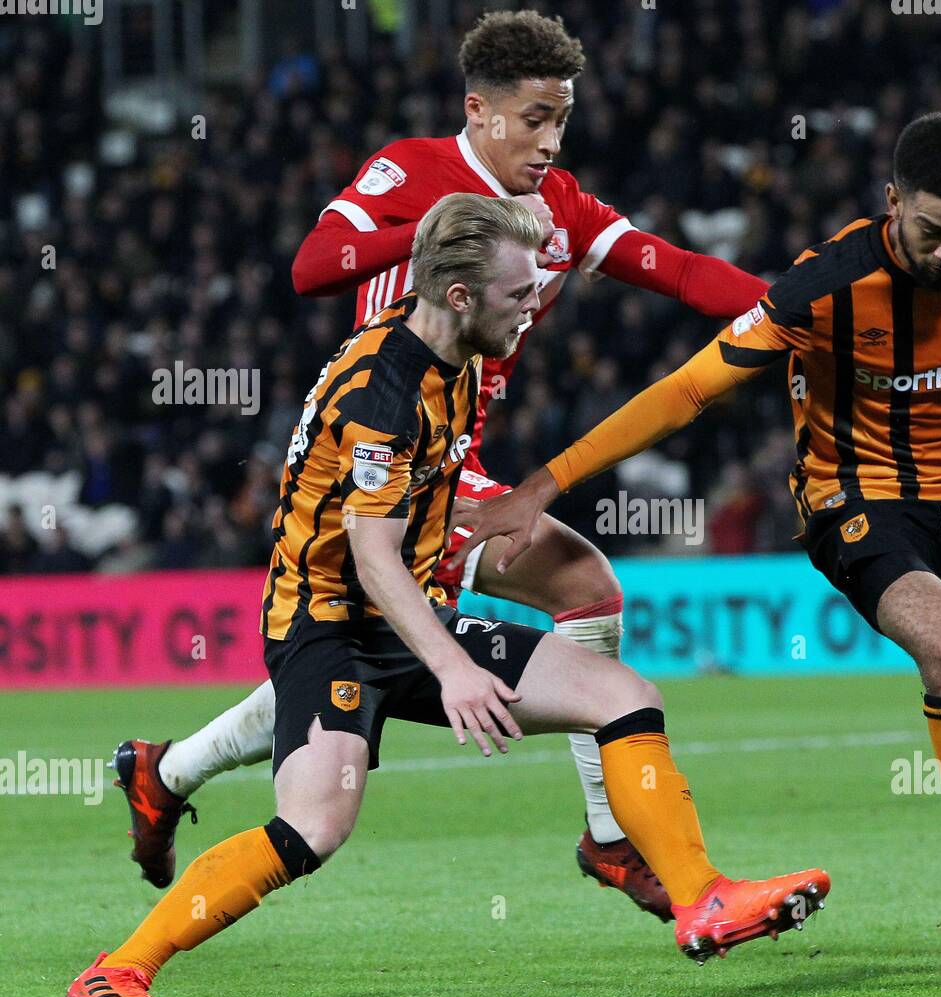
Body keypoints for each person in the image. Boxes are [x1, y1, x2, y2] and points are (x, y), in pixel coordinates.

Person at [450, 114, 941, 985]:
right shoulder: (821, 286)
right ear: (893, 202)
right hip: (857, 501)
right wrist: (545, 483)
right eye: (933, 230)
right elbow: (686, 392)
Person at [66, 195, 829, 997]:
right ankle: (118, 971)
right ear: (460, 295)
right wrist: (453, 664)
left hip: (409, 609)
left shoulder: (446, 340)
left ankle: (701, 898)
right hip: (333, 628)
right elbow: (370, 555)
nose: (534, 304)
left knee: (626, 696)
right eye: (517, 293)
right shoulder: (387, 397)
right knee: (314, 830)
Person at [111, 11, 770, 921]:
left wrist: (801, 309)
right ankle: (612, 840)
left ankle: (164, 770)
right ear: (481, 112)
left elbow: (687, 273)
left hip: (450, 456)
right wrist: (447, 227)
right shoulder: (414, 170)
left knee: (371, 657)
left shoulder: (564, 208)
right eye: (535, 118)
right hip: (381, 451)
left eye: (563, 119)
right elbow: (312, 267)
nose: (551, 141)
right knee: (569, 584)